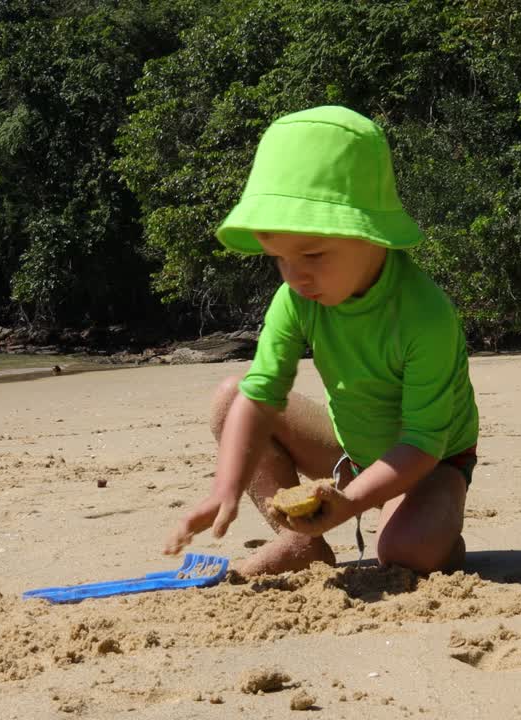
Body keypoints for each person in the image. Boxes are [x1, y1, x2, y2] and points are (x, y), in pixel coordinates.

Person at [163, 106, 479, 576]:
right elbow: (261, 395)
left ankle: (436, 535)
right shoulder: (296, 297)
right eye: (279, 259)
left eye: (312, 254)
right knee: (233, 398)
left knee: (406, 554)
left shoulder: (424, 315)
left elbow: (421, 443)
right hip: (349, 446)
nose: (296, 275)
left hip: (430, 463)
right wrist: (224, 489)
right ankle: (300, 544)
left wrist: (348, 503)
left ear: (371, 232)